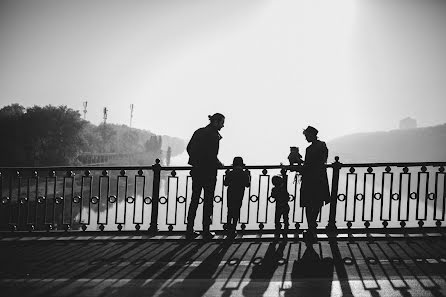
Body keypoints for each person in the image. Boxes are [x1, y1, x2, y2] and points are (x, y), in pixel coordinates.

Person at [186, 113, 225, 240]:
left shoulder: (199, 132)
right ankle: (206, 230)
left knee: (194, 199)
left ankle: (189, 229)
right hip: (208, 172)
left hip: (197, 171)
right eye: (221, 123)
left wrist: (196, 161)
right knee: (208, 201)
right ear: (216, 122)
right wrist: (219, 164)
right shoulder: (213, 135)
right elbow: (212, 155)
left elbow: (189, 148)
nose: (223, 126)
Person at [300, 125, 330, 243]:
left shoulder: (310, 149)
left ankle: (311, 228)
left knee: (309, 204)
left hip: (310, 180)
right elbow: (317, 163)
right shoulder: (322, 145)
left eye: (306, 135)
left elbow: (308, 166)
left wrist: (297, 164)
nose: (306, 138)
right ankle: (312, 229)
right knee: (317, 203)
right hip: (320, 179)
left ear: (311, 135)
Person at [223, 156, 250, 238]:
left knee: (230, 210)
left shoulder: (231, 173)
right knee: (236, 209)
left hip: (231, 192)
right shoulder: (244, 173)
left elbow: (226, 183)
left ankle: (228, 229)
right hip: (239, 192)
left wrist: (226, 174)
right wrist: (248, 175)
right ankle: (233, 228)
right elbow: (247, 185)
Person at [271, 175, 290, 239]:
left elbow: (273, 196)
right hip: (285, 205)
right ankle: (285, 232)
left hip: (279, 206)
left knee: (277, 219)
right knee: (286, 219)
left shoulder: (274, 189)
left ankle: (277, 231)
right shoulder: (283, 188)